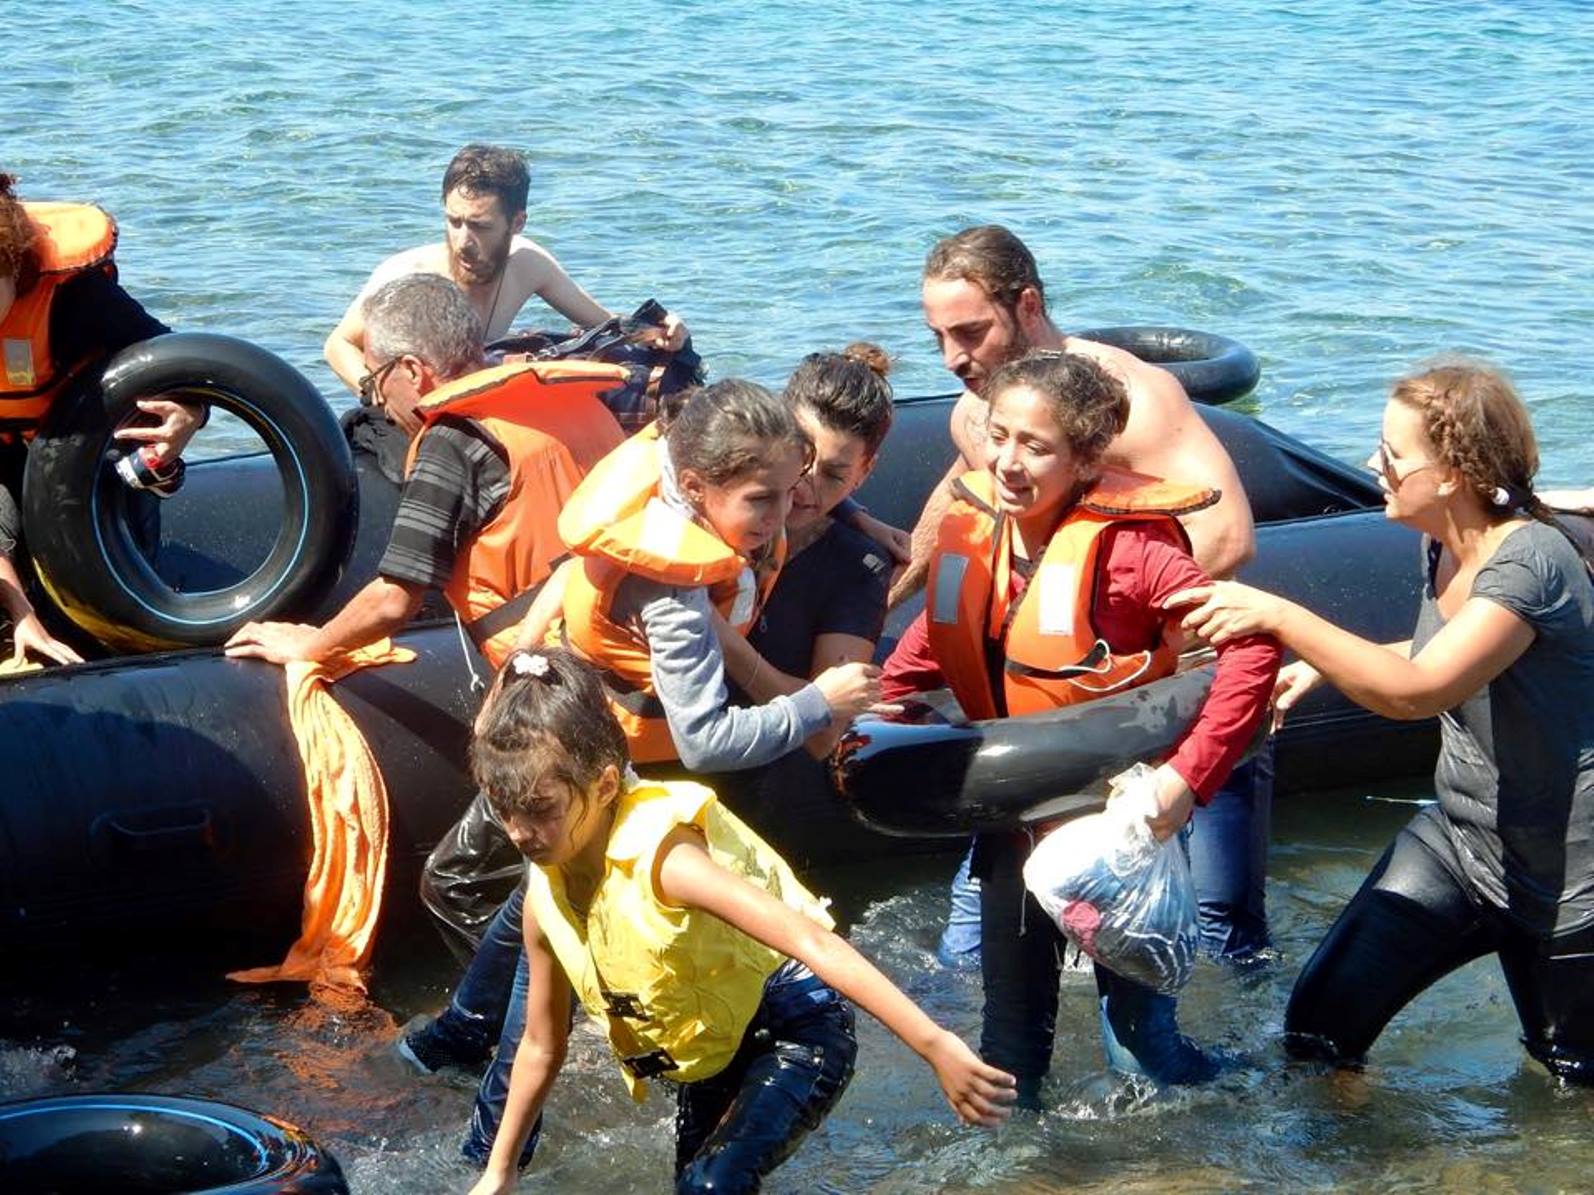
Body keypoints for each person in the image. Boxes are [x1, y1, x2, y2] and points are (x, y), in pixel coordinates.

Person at [399, 378, 888, 1157]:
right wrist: (814, 703)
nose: (789, 509)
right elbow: (704, 739)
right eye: (771, 496)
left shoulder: (664, 487)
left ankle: (452, 1058)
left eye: (813, 485)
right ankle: (489, 1155)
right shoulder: (674, 585)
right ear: (702, 482)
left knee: (530, 934)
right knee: (539, 973)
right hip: (615, 781)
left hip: (589, 752)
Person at [1167, 360, 1594, 1084]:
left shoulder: (1532, 560)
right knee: (1319, 1029)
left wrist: (1283, 618)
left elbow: (1418, 692)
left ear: (1455, 472)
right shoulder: (1442, 540)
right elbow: (1450, 653)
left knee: (1568, 1084)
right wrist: (1320, 666)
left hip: (1569, 880)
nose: (1374, 464)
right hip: (1461, 841)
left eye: (1394, 455)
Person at [459, 646, 1015, 1194]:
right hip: (717, 1051)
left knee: (710, 1186)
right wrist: (500, 1172)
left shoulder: (668, 862)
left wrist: (935, 1045)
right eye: (504, 809)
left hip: (798, 1026)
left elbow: (811, 942)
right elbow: (539, 1043)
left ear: (605, 785)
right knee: (696, 1187)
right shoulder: (544, 898)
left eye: (540, 810)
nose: (518, 832)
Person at [880, 350, 1279, 1104]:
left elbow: (1253, 645)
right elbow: (932, 645)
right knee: (1008, 1054)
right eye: (999, 435)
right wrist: (878, 715)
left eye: (1036, 446)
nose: (1007, 460)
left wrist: (1185, 780)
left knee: (1141, 1055)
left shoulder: (1133, 552)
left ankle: (1247, 1106)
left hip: (1118, 836)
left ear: (1087, 457)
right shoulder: (980, 533)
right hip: (1016, 819)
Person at [908, 225, 1270, 965]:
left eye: (970, 331)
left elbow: (1230, 535)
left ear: (1028, 305)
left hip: (1169, 702)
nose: (953, 358)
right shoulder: (976, 413)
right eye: (938, 336)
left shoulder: (1133, 398)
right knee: (974, 942)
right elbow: (956, 514)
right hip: (1049, 717)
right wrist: (884, 602)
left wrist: (1087, 613)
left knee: (1219, 931)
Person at [0, 172, 206, 664]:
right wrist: (20, 614)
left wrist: (188, 416)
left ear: (12, 264)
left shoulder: (77, 299)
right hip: (3, 461)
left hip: (89, 455)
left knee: (106, 614)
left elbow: (189, 370)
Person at [324, 145, 685, 397]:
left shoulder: (528, 264)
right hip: (404, 410)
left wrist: (662, 332)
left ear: (517, 223)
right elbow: (337, 345)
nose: (463, 240)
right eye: (454, 221)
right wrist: (377, 396)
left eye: (479, 226)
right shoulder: (408, 273)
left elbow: (606, 327)